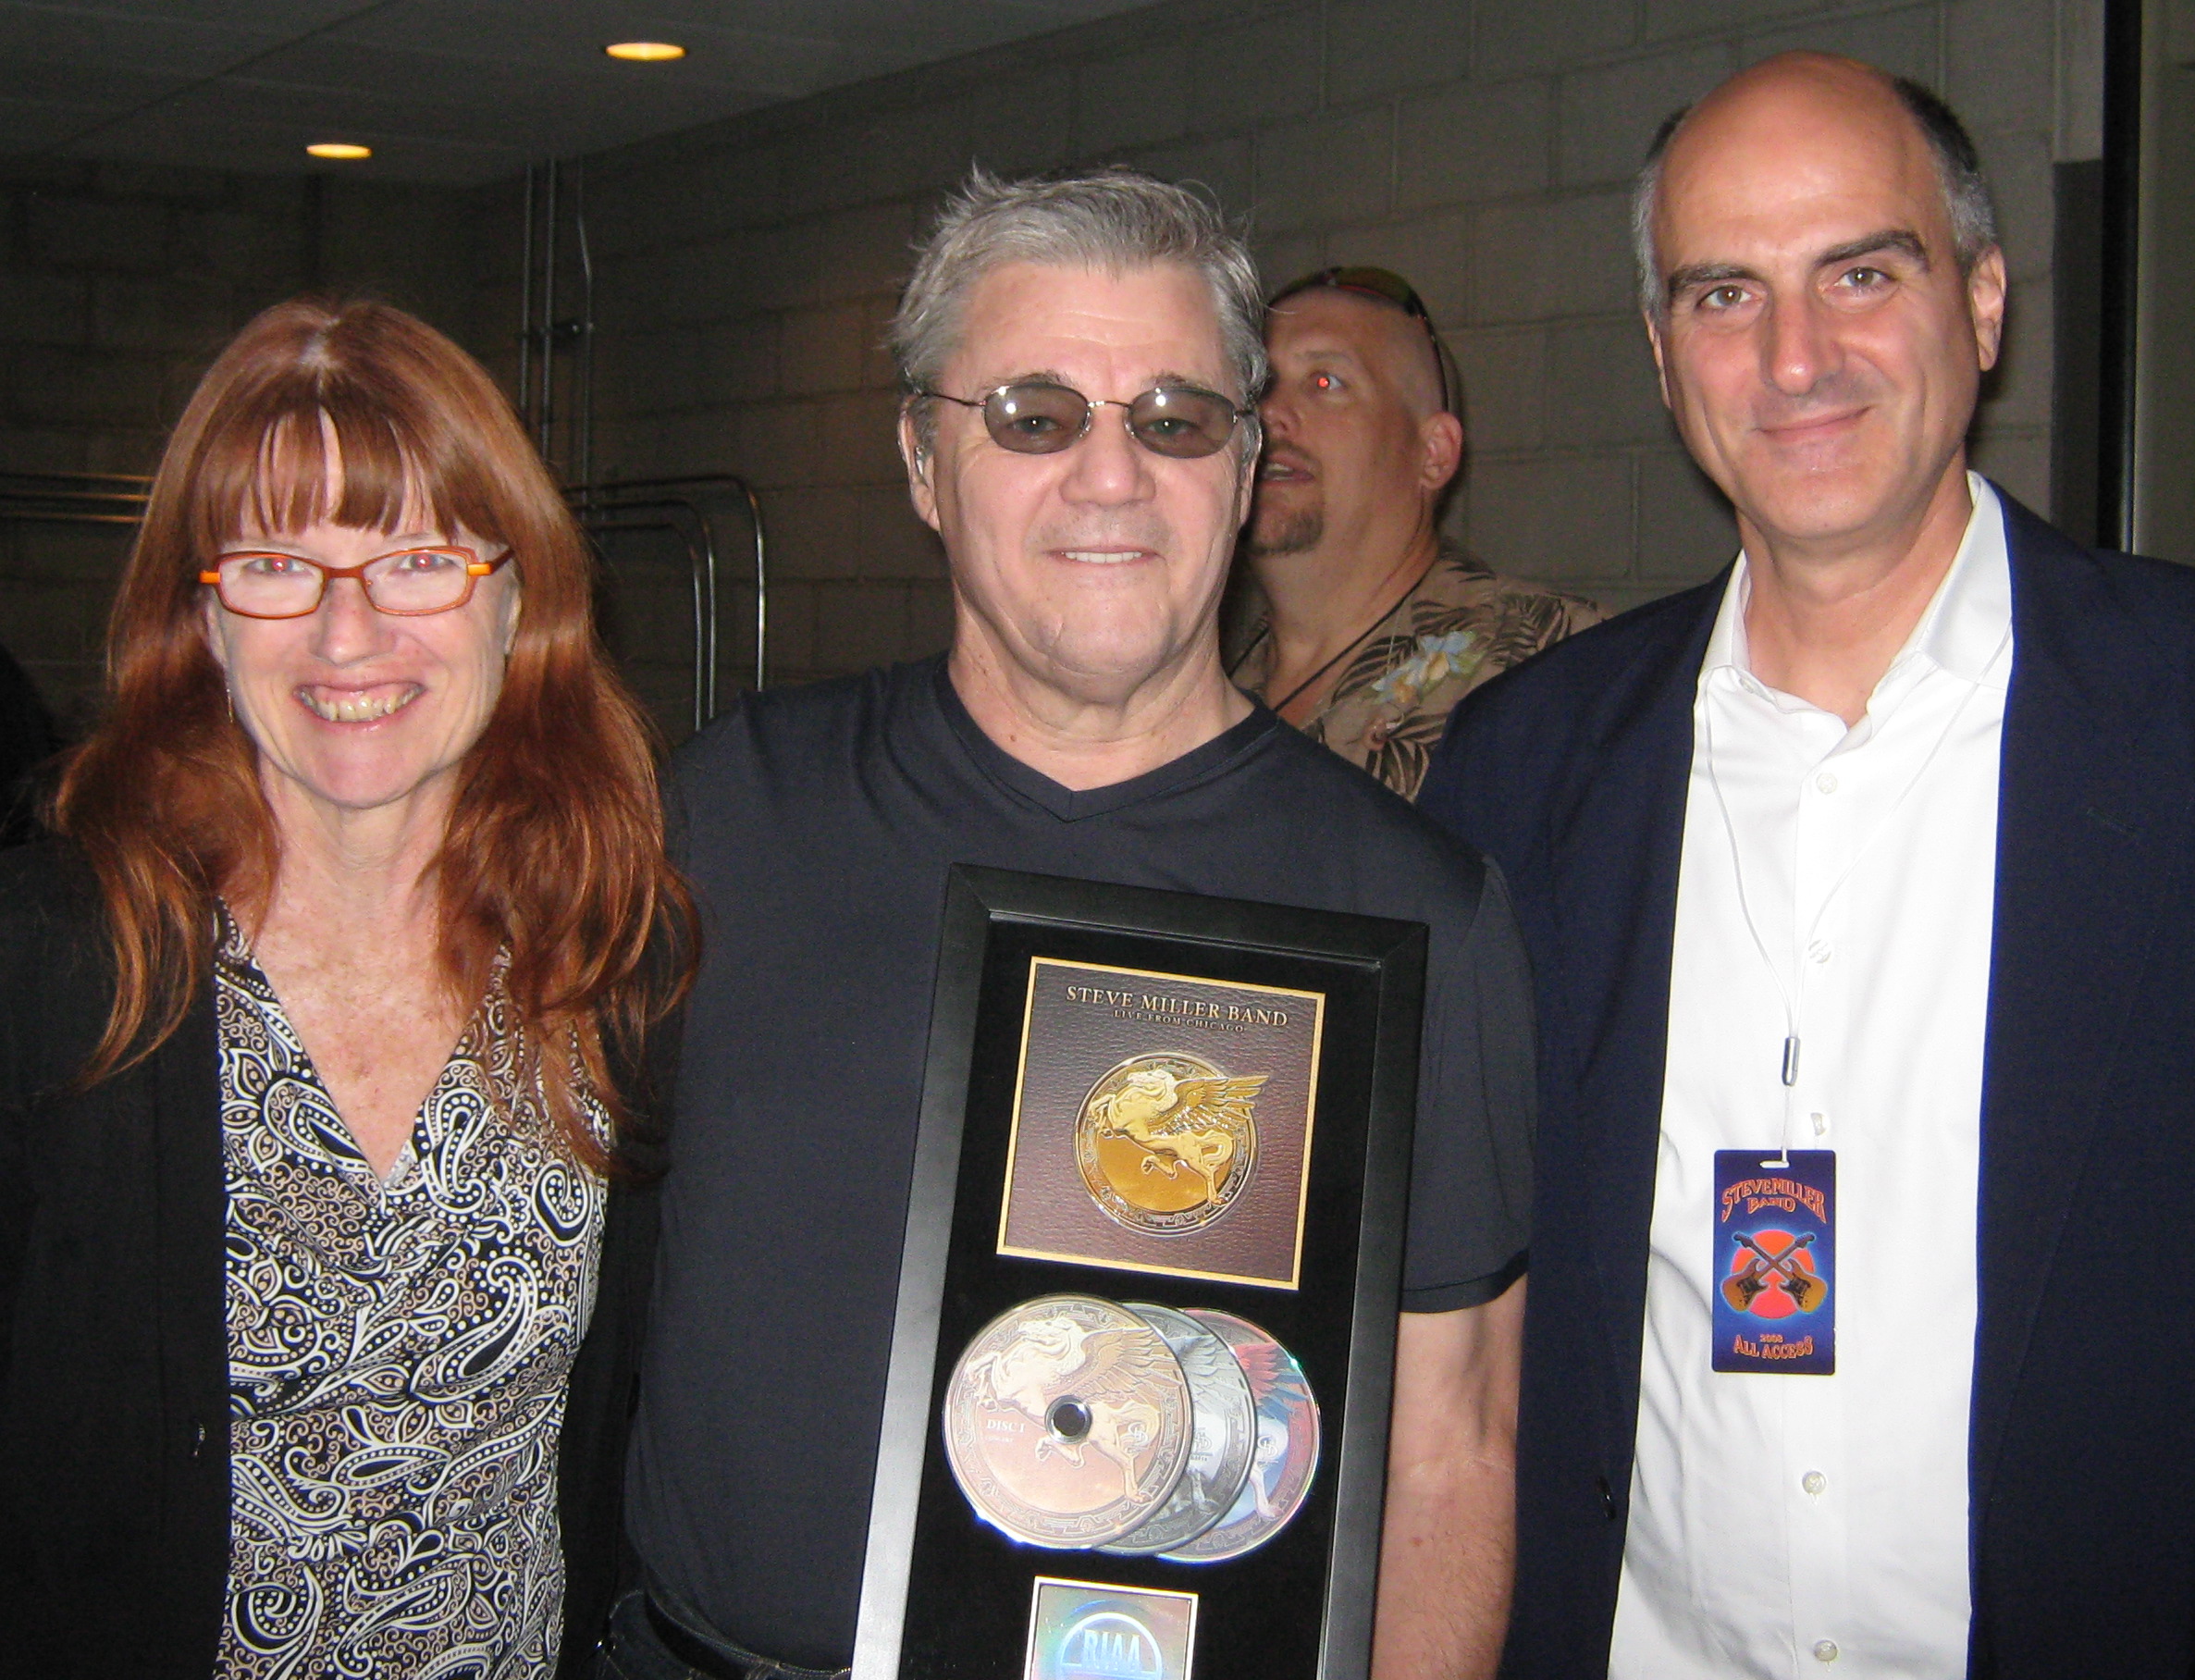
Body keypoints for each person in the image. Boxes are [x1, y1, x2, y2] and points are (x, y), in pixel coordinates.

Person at [604, 170, 1535, 1680]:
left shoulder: (1416, 907)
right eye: (1033, 416)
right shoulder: (724, 818)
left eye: (1172, 419)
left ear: (1242, 466)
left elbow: (1449, 1443)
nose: (1110, 474)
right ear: (922, 458)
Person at [1420, 52, 2195, 1678]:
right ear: (1656, 351)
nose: (1793, 358)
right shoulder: (1522, 769)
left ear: (1981, 304)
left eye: (1860, 270)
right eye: (1722, 293)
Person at [0, 299, 690, 1679]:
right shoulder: (62, 959)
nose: (346, 632)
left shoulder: (607, 964)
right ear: (201, 618)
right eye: (275, 565)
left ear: (517, 598)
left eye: (417, 560)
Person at [1228, 266, 1601, 799]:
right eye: (1256, 386)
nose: (1268, 416)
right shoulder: (1198, 689)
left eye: (1325, 382)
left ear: (1433, 455)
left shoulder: (1558, 660)